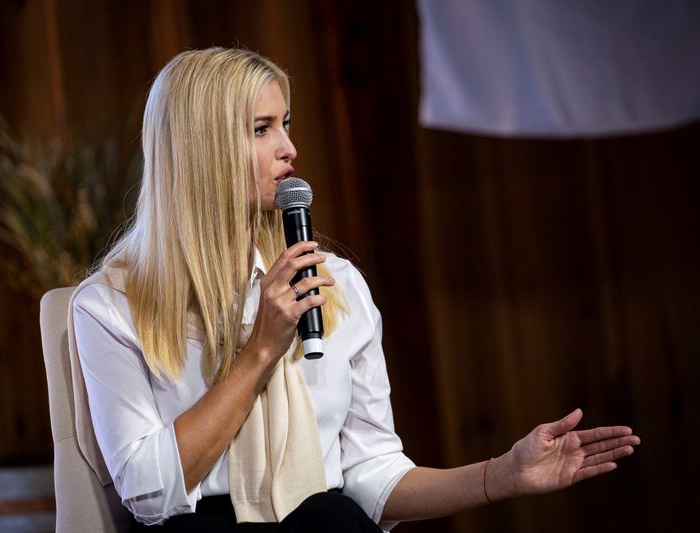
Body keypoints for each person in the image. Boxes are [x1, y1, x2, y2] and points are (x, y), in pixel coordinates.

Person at [69, 48, 640, 532]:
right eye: (262, 129)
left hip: (324, 524)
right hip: (199, 525)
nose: (289, 148)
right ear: (200, 151)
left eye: (286, 123)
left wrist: (502, 476)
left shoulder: (335, 285)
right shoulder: (112, 306)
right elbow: (145, 490)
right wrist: (261, 351)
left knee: (332, 517)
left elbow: (373, 474)